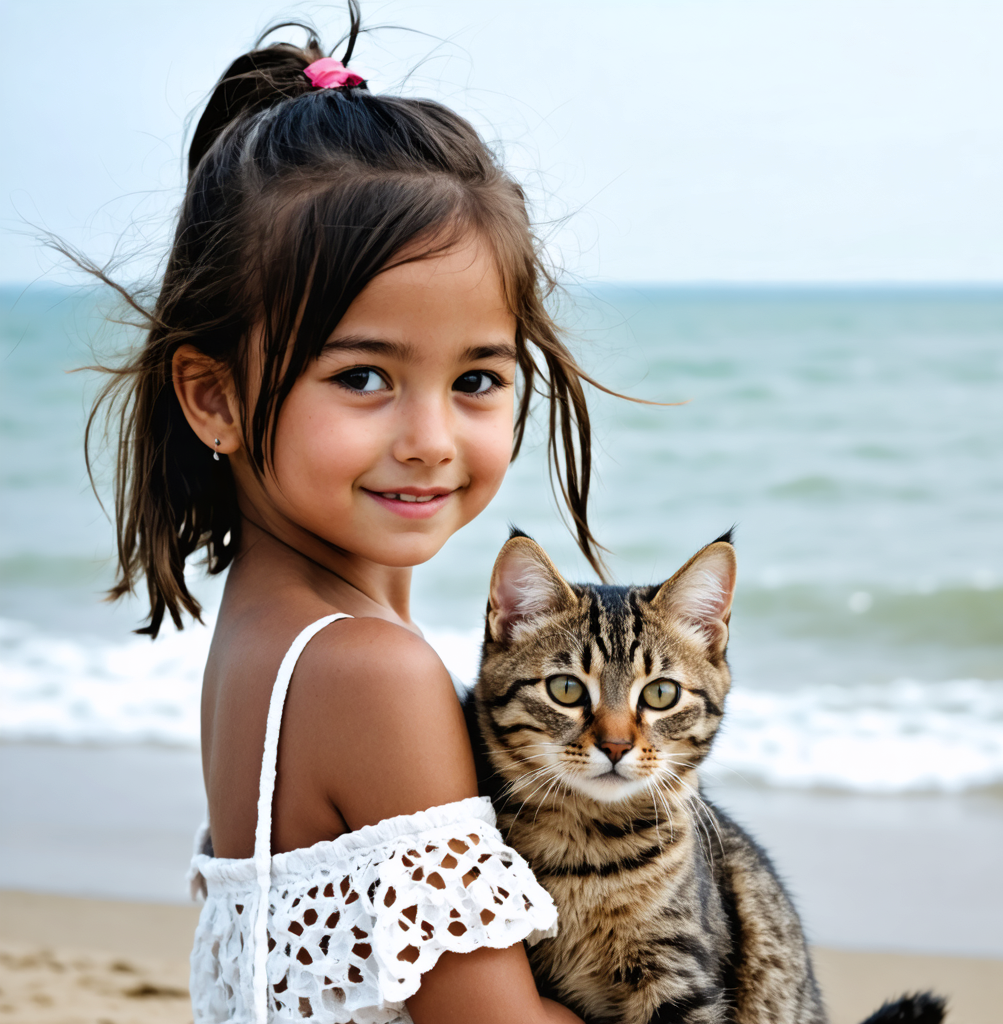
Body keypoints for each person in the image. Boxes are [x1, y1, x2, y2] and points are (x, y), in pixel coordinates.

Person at [83, 6, 616, 1023]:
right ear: (214, 397)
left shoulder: (272, 628)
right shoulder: (367, 668)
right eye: (364, 375)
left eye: (477, 378)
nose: (429, 436)